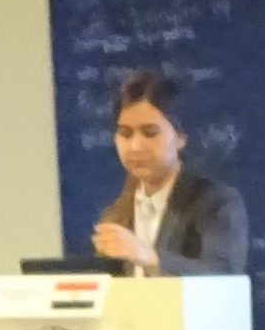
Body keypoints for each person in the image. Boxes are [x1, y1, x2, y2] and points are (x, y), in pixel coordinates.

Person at [92, 71, 248, 276]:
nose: (135, 146)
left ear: (180, 137)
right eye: (125, 134)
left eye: (150, 133)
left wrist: (150, 258)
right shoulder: (114, 215)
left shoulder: (216, 203)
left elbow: (223, 277)